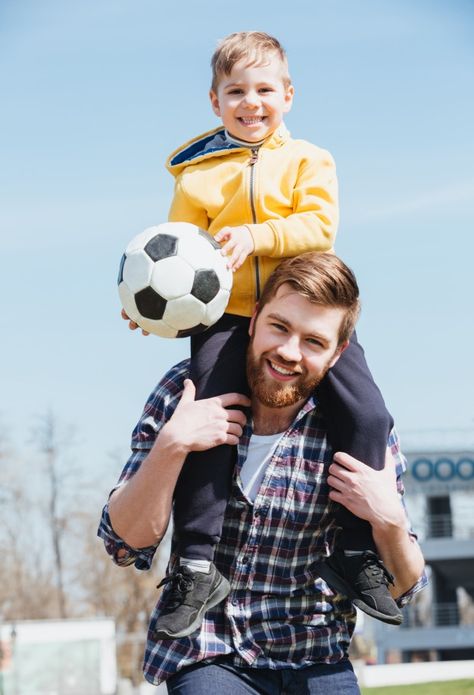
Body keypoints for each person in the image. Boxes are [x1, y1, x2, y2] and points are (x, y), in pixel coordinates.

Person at [124, 30, 396, 633]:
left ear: (289, 95)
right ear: (215, 101)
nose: (252, 102)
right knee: (212, 424)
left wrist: (259, 236)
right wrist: (152, 311)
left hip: (298, 315)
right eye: (235, 91)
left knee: (369, 415)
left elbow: (318, 227)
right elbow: (180, 260)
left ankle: (353, 552)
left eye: (264, 89)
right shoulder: (195, 178)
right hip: (227, 319)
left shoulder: (309, 161)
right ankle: (195, 565)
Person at [101, 253, 427, 693]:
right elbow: (123, 544)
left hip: (317, 654)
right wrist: (172, 445)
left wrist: (390, 520)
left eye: (313, 341)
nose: (289, 353)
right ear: (253, 319)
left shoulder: (359, 428)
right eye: (280, 327)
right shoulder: (189, 393)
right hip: (209, 652)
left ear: (338, 353)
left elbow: (407, 587)